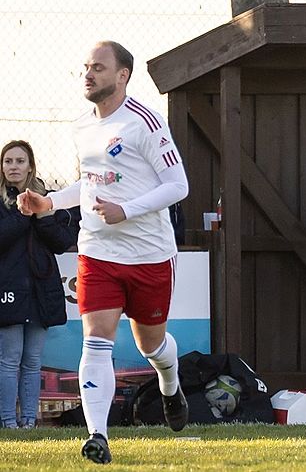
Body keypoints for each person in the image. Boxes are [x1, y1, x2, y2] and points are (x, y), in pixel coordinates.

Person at [18, 41, 189, 463]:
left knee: (151, 346)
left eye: (98, 67)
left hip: (148, 255)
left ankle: (170, 384)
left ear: (122, 75)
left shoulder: (145, 122)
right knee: (95, 341)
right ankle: (98, 435)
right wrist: (50, 202)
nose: (88, 74)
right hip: (97, 252)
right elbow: (91, 184)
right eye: (85, 67)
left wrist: (125, 210)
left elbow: (178, 185)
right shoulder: (82, 126)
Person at [0, 140, 79, 429]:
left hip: (41, 290)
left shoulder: (48, 200)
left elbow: (62, 242)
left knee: (33, 360)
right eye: (8, 161)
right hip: (8, 290)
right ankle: (8, 421)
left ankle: (29, 421)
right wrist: (24, 215)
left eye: (20, 161)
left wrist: (43, 215)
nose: (14, 167)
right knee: (9, 360)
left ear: (30, 166)